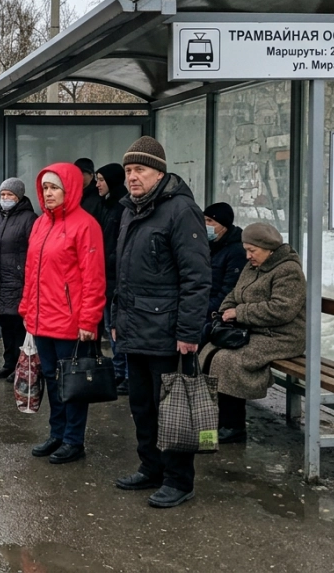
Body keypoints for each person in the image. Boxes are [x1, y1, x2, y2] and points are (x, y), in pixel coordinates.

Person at [111, 136, 210, 509]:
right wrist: (118, 317)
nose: (132, 177)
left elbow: (197, 277)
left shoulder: (181, 211)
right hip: (135, 328)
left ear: (159, 172)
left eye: (140, 170)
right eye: (128, 170)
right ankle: (150, 467)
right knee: (142, 405)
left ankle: (179, 480)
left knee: (174, 409)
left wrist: (188, 331)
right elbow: (123, 273)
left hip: (168, 332)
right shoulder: (131, 210)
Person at [20, 163, 106, 465]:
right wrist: (27, 308)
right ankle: (57, 433)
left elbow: (94, 278)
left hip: (70, 322)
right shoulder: (42, 223)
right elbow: (32, 271)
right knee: (52, 380)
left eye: (54, 187)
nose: (49, 193)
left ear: (69, 189)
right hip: (42, 318)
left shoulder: (86, 225)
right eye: (45, 188)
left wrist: (88, 320)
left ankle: (73, 440)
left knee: (73, 383)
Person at [199, 222, 306, 444]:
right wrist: (222, 313)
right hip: (254, 331)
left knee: (228, 360)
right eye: (246, 250)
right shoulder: (254, 266)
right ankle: (218, 420)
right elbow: (235, 293)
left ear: (269, 249)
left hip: (282, 336)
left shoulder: (288, 271)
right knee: (209, 351)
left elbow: (282, 309)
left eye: (252, 250)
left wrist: (240, 313)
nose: (248, 256)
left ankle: (234, 425)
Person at [0, 177, 36, 381]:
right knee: (6, 327)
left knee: (18, 327)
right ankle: (9, 363)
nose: (5, 198)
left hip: (17, 282)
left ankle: (21, 366)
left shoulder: (29, 219)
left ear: (18, 197)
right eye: (2, 195)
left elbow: (33, 252)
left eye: (9, 195)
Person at [95, 162, 129, 394]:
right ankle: (118, 371)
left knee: (118, 327)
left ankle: (126, 373)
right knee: (110, 325)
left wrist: (107, 260)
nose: (97, 184)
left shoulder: (122, 207)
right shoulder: (106, 205)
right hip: (105, 275)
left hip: (116, 277)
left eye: (101, 180)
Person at [202, 202, 246, 345]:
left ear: (224, 225)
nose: (205, 225)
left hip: (216, 312)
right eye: (203, 220)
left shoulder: (236, 251)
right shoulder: (209, 246)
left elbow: (229, 290)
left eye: (210, 221)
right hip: (203, 305)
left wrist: (201, 307)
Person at [75, 158, 103, 222]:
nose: (78, 176)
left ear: (91, 175)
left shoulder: (97, 194)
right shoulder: (74, 193)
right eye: (76, 173)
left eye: (82, 173)